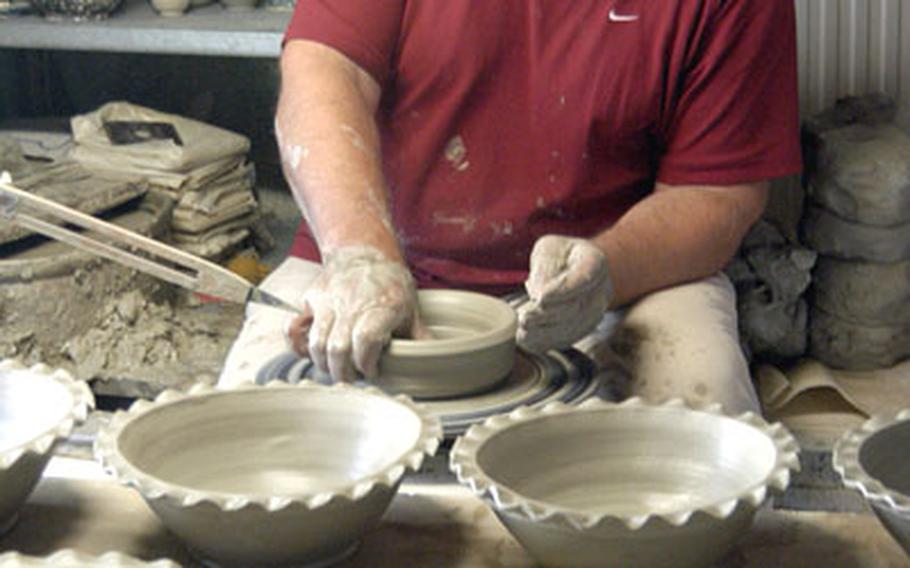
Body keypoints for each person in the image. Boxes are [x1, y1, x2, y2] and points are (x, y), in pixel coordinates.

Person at [262, 0, 801, 413]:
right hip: (362, 251)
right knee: (255, 446)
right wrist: (359, 255)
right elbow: (324, 75)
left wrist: (606, 272)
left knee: (702, 428)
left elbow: (715, 194)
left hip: (619, 275)